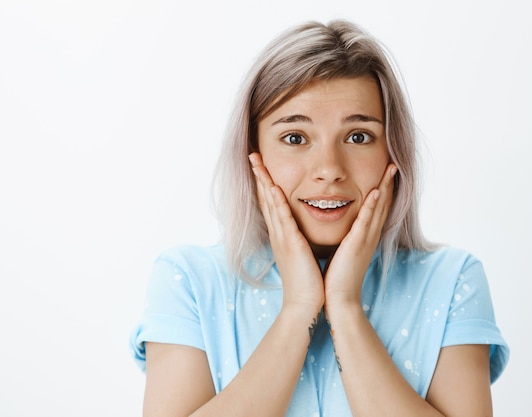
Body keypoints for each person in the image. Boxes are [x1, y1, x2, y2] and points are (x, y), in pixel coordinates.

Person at [130, 19, 509, 417]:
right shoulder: (189, 280)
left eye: (358, 136)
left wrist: (345, 307)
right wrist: (298, 307)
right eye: (295, 138)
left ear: (393, 152)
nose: (329, 169)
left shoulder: (451, 281)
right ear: (251, 153)